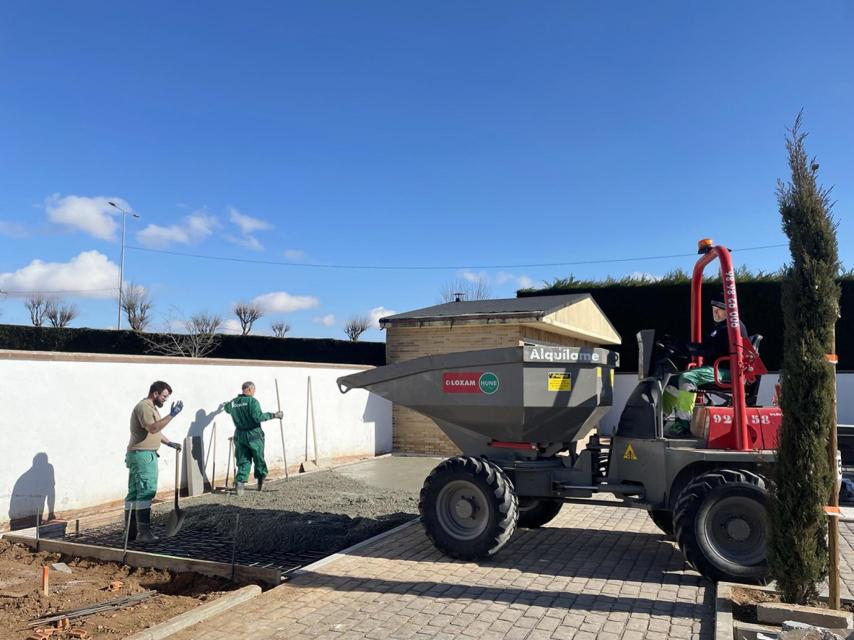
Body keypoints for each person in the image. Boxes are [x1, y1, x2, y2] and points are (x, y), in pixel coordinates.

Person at [662, 299, 749, 437]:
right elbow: (704, 348)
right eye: (713, 310)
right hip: (714, 368)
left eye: (718, 310)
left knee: (687, 378)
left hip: (727, 371)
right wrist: (681, 345)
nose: (715, 313)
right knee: (671, 381)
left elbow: (713, 350)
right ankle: (660, 418)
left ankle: (683, 423)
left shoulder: (733, 327)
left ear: (728, 310)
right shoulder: (719, 328)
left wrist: (689, 348)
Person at [125, 381, 183, 543]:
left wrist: (170, 443)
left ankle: (129, 533)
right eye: (164, 396)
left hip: (140, 454)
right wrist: (172, 415)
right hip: (143, 456)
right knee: (146, 491)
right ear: (155, 393)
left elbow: (156, 431)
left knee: (135, 493)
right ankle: (144, 534)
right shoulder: (144, 407)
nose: (165, 399)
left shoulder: (152, 408)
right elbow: (152, 428)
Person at [224, 381, 283, 495]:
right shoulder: (252, 401)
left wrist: (227, 405)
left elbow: (226, 408)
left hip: (239, 435)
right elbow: (258, 417)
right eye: (254, 390)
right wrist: (274, 415)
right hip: (254, 434)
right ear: (250, 390)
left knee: (243, 459)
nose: (254, 392)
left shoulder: (233, 403)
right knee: (258, 458)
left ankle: (240, 487)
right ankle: (261, 482)